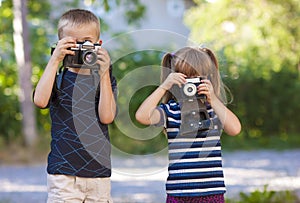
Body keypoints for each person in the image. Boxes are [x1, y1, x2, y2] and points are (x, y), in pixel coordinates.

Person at [135, 46, 241, 203]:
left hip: (211, 192)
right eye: (185, 78)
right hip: (178, 193)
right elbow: (142, 116)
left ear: (207, 79)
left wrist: (213, 98)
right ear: (176, 78)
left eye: (196, 78)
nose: (190, 84)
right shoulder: (171, 111)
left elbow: (235, 129)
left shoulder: (214, 110)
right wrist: (164, 86)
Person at [33, 9, 117, 203]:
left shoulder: (104, 79)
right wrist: (55, 59)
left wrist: (104, 74)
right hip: (63, 174)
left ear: (98, 45)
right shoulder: (57, 78)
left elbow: (107, 117)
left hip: (98, 174)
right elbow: (40, 101)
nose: (79, 49)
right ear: (60, 45)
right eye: (72, 44)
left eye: (86, 42)